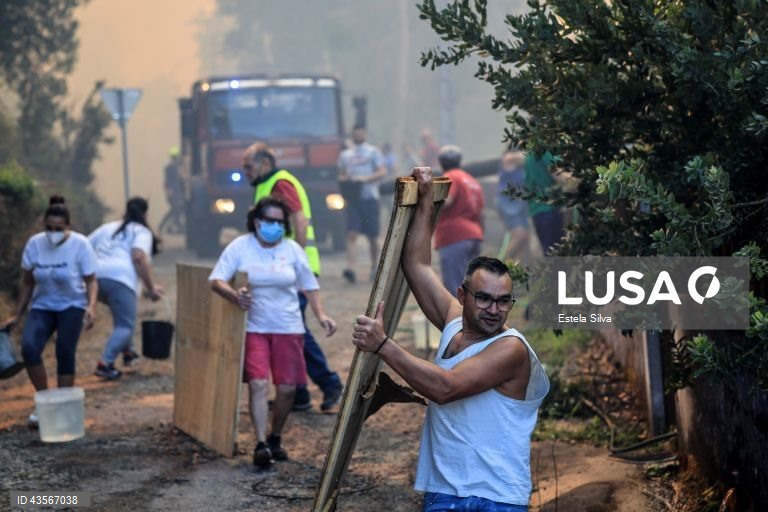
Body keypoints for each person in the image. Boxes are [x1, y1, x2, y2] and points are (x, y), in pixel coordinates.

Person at [352, 168, 549, 511]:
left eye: (504, 301)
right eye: (484, 298)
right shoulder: (453, 323)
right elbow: (416, 263)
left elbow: (445, 389)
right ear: (462, 294)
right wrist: (427, 200)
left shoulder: (511, 349)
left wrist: (383, 345)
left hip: (495, 497)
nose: (494, 309)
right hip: (445, 491)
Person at [209, 198, 337, 468]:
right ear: (257, 222)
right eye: (270, 221)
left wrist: (321, 315)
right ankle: (260, 444)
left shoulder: (292, 250)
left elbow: (309, 286)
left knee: (288, 389)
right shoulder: (240, 247)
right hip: (254, 327)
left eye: (280, 222)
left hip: (288, 327)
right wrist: (234, 296)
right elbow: (216, 279)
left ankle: (275, 436)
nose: (276, 226)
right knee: (257, 384)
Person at [243, 142, 344, 413]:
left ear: (265, 163)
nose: (245, 173)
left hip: (296, 270)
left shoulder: (280, 184)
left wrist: (296, 263)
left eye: (249, 167)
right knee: (287, 328)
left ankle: (329, 382)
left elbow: (299, 220)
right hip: (285, 271)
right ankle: (298, 393)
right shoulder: (266, 186)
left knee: (294, 329)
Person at [2, 195, 99, 425]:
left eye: (58, 228)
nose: (53, 232)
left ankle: (63, 407)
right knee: (29, 347)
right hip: (42, 305)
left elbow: (92, 280)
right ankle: (45, 404)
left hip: (72, 305)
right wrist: (17, 313)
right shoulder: (35, 244)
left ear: (68, 227)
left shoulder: (80, 245)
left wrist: (91, 306)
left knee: (65, 350)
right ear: (43, 225)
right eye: (49, 228)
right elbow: (27, 282)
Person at [88, 197, 164, 380]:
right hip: (120, 280)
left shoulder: (107, 227)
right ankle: (105, 363)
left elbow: (83, 246)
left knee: (121, 314)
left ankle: (128, 352)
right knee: (126, 325)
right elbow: (138, 256)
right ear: (145, 214)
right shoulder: (142, 231)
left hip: (96, 278)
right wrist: (151, 287)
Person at [337, 125, 387, 284]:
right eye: (356, 133)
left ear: (365, 134)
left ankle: (374, 268)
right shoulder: (345, 155)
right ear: (352, 134)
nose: (358, 135)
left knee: (372, 236)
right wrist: (345, 180)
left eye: (361, 133)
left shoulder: (373, 152)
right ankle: (350, 268)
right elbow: (342, 173)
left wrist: (366, 178)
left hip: (370, 197)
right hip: (353, 198)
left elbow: (382, 171)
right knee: (351, 233)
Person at [433, 145, 485, 296]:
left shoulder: (449, 177)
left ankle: (458, 319)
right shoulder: (472, 180)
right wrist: (480, 234)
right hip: (474, 236)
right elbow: (481, 214)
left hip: (454, 237)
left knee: (455, 289)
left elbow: (446, 201)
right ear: (460, 161)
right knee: (472, 287)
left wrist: (426, 205)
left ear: (441, 163)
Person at [524, 150, 565, 255]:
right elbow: (559, 177)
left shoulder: (531, 152)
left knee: (551, 255)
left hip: (539, 211)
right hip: (549, 211)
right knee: (557, 256)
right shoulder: (545, 151)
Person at [496, 148, 531, 264]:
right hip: (509, 205)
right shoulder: (509, 158)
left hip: (521, 206)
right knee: (519, 236)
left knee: (525, 241)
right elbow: (523, 157)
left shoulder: (523, 164)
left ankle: (522, 273)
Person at [158, 147, 185, 235]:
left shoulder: (177, 168)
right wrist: (169, 192)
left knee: (175, 211)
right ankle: (178, 228)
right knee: (175, 210)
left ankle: (165, 226)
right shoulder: (170, 168)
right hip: (173, 193)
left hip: (177, 193)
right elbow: (168, 182)